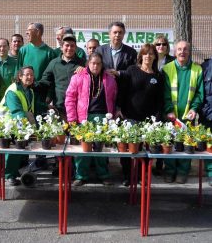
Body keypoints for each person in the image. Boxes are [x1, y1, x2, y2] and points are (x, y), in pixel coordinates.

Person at [65, 52, 118, 186]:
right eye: (93, 63)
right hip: (84, 117)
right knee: (84, 149)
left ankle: (103, 174)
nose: (95, 66)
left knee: (101, 149)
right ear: (88, 63)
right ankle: (81, 175)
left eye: (98, 63)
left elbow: (114, 98)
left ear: (102, 65)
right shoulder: (78, 77)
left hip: (103, 117)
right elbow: (70, 98)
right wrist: (72, 118)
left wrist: (113, 115)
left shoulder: (110, 79)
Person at [96, 22, 137, 185]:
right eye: (114, 32)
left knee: (123, 137)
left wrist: (119, 73)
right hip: (103, 98)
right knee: (102, 135)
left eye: (120, 32)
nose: (117, 35)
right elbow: (93, 68)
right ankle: (103, 172)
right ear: (109, 34)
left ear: (124, 34)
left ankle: (127, 174)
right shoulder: (100, 50)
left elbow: (135, 72)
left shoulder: (131, 52)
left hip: (123, 99)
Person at [118, 44, 164, 185]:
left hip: (148, 120)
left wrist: (156, 118)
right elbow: (122, 91)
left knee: (144, 151)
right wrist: (119, 108)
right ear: (141, 56)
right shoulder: (131, 70)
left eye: (151, 54)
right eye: (145, 53)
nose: (148, 56)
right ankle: (127, 175)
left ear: (155, 57)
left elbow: (160, 100)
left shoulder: (159, 76)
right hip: (130, 116)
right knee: (128, 149)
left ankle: (140, 174)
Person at [0, 66, 47, 186]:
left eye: (32, 75)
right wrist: (28, 129)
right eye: (27, 75)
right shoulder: (13, 91)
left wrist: (47, 106)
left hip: (19, 123)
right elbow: (17, 112)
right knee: (14, 151)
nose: (30, 77)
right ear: (20, 76)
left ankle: (14, 171)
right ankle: (9, 175)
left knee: (19, 150)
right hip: (9, 124)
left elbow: (31, 106)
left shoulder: (29, 91)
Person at [163, 40, 204, 184]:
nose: (182, 52)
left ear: (189, 52)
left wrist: (194, 108)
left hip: (188, 116)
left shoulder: (197, 70)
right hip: (170, 117)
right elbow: (164, 92)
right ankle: (169, 171)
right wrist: (168, 110)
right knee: (169, 143)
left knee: (187, 145)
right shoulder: (167, 69)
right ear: (175, 51)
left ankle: (182, 172)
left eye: (185, 49)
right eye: (179, 49)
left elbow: (199, 93)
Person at [38, 33, 86, 120]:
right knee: (61, 133)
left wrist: (86, 71)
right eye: (67, 45)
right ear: (61, 47)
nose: (69, 48)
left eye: (72, 46)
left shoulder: (82, 63)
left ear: (76, 48)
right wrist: (33, 85)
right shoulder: (54, 63)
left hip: (78, 108)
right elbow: (45, 81)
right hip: (59, 107)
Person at [152, 35, 175, 175]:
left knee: (166, 133)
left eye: (164, 44)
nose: (161, 46)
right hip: (152, 102)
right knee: (154, 132)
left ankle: (162, 164)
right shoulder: (151, 60)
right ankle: (153, 162)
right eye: (158, 44)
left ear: (167, 47)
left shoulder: (172, 61)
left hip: (168, 101)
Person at [199, 57, 212, 186]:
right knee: (210, 146)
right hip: (208, 114)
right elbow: (199, 91)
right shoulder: (205, 66)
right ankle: (211, 174)